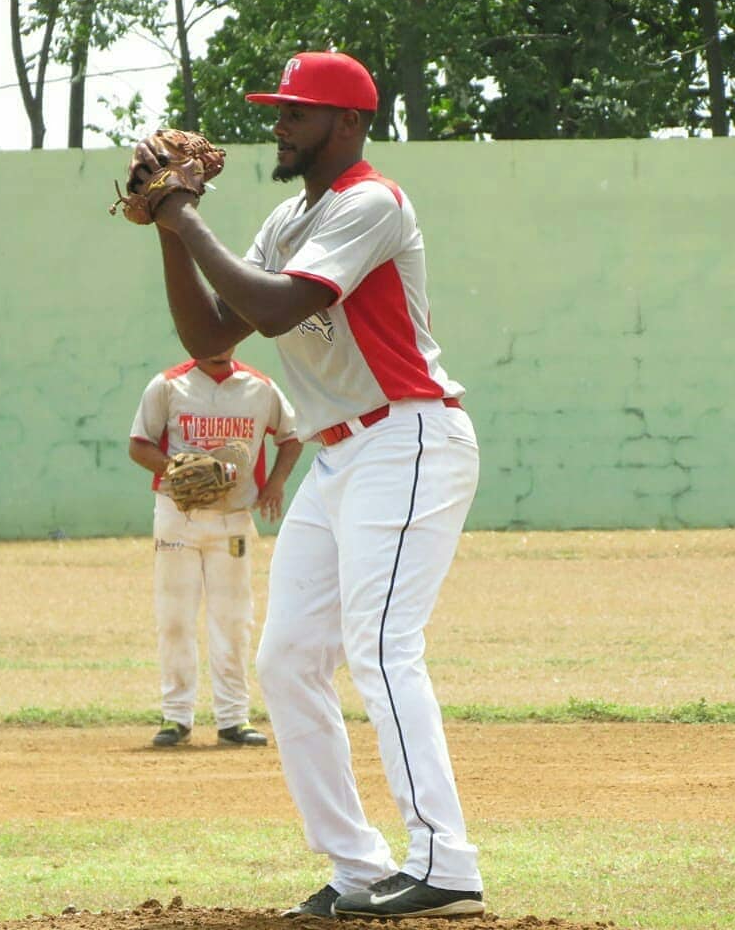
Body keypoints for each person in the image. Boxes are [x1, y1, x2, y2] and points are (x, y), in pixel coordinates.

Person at [127, 50, 484, 918]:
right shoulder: (288, 219)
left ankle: (446, 865)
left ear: (348, 123)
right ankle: (358, 867)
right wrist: (174, 229)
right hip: (337, 457)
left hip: (407, 438)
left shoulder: (372, 200)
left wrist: (184, 212)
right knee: (287, 660)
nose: (279, 125)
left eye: (297, 112)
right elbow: (214, 326)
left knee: (382, 647)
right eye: (278, 109)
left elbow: (281, 309)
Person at [129, 345, 301, 749]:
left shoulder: (259, 388)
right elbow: (139, 445)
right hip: (177, 514)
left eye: (226, 336)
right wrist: (176, 468)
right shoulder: (168, 386)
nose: (220, 345)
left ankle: (233, 719)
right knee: (174, 617)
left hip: (233, 518)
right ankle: (176, 717)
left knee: (234, 619)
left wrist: (274, 484)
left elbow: (291, 438)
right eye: (209, 335)